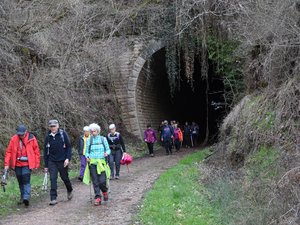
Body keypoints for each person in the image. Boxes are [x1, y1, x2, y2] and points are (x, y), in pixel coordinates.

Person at [4, 125, 40, 207]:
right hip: (17, 164)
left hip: (27, 164)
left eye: (22, 134)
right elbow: (8, 152)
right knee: (20, 181)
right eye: (19, 134)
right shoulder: (13, 139)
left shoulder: (32, 138)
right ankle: (22, 197)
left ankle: (26, 197)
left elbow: (36, 151)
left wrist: (36, 164)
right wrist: (6, 164)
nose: (20, 136)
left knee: (26, 180)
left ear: (26, 132)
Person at [44, 119, 73, 205]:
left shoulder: (62, 134)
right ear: (49, 127)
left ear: (58, 126)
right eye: (51, 126)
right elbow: (45, 151)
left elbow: (69, 147)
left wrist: (67, 158)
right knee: (53, 179)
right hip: (52, 161)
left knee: (64, 178)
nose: (53, 128)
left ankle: (69, 189)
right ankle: (53, 198)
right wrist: (46, 165)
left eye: (54, 126)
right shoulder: (47, 137)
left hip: (62, 160)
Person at [84, 123, 110, 206]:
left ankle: (105, 191)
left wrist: (106, 153)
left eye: (94, 131)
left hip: (101, 163)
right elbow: (86, 152)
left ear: (98, 131)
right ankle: (98, 197)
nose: (92, 133)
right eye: (91, 131)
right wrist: (87, 156)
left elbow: (108, 150)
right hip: (92, 163)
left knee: (102, 181)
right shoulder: (89, 140)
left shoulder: (103, 139)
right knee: (95, 181)